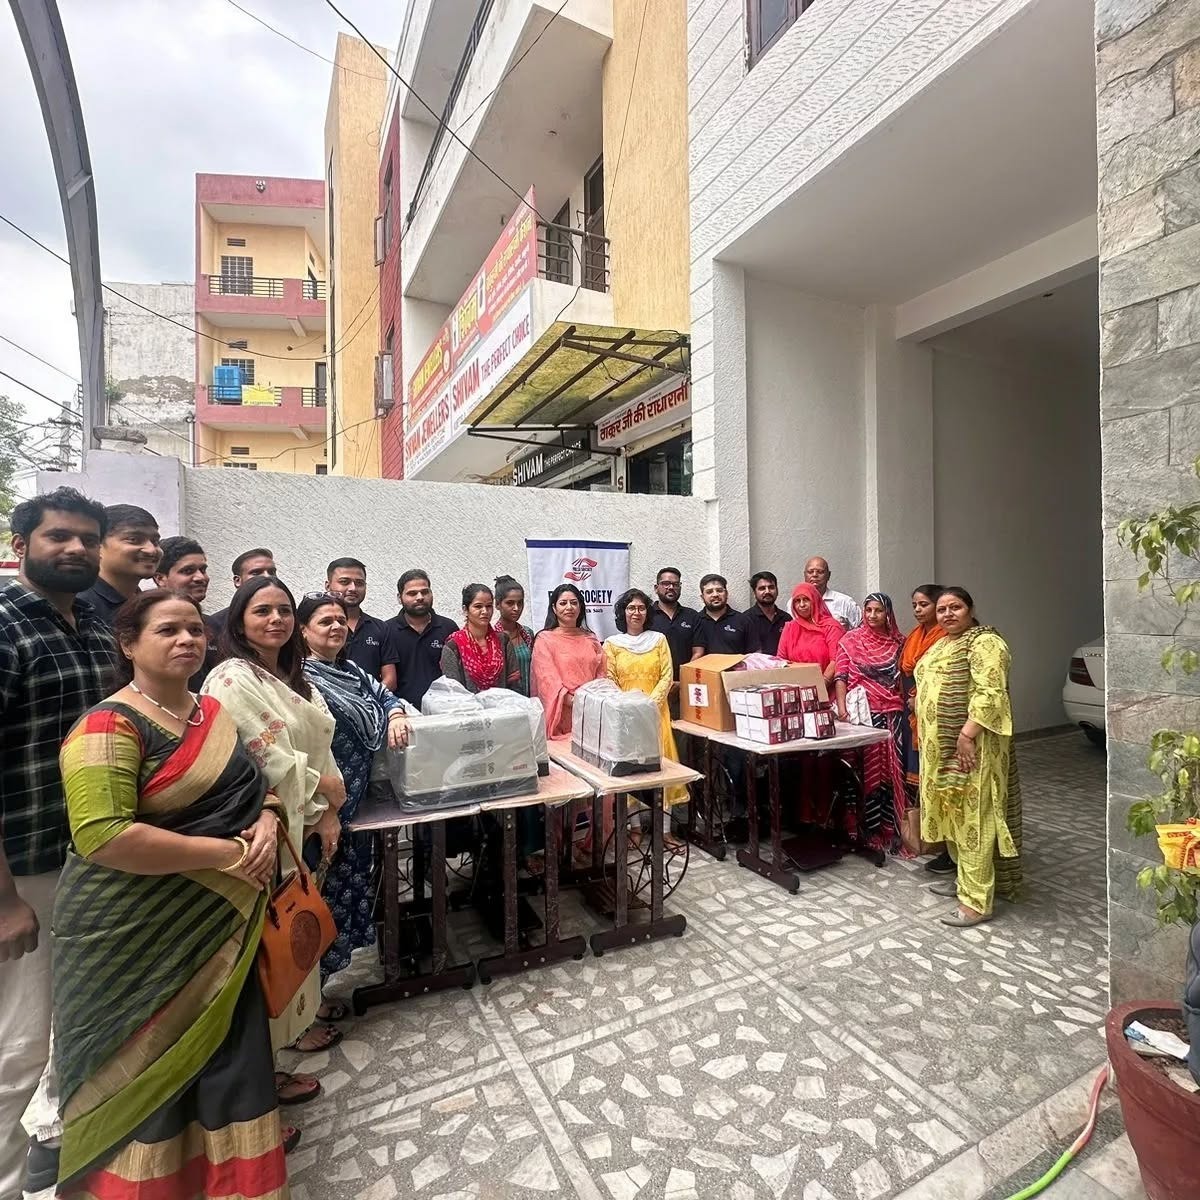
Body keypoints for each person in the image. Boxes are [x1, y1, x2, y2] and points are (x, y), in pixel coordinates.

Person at [52, 591, 289, 1196]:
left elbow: (254, 784)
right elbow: (104, 836)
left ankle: (235, 1183)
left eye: (194, 629)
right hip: (138, 935)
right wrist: (227, 856)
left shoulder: (213, 712)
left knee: (228, 1057)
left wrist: (268, 819)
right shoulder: (107, 725)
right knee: (147, 1067)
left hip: (220, 925)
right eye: (168, 630)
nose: (187, 639)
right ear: (128, 644)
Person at [0, 488, 117, 1200]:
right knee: (18, 1042)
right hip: (26, 864)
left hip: (91, 855)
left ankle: (63, 1154)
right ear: (22, 546)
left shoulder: (95, 627)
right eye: (58, 537)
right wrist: (5, 898)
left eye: (87, 539)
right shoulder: (6, 625)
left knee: (71, 1027)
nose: (75, 548)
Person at [201, 575, 344, 1111]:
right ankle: (260, 1079)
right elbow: (258, 757)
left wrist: (330, 809)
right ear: (239, 621)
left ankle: (287, 1040)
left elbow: (320, 743)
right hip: (259, 828)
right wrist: (320, 784)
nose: (276, 619)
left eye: (283, 610)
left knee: (293, 934)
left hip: (304, 820)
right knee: (261, 950)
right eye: (262, 611)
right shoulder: (231, 678)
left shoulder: (292, 676)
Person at [299, 594, 410, 987]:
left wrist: (395, 714)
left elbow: (386, 695)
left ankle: (320, 989)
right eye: (324, 621)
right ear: (303, 631)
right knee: (314, 901)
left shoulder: (350, 670)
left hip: (354, 803)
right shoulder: (299, 679)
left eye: (339, 620)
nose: (336, 627)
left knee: (348, 893)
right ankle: (306, 998)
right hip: (318, 809)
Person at [915, 588, 1022, 928]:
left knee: (975, 818)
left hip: (972, 749)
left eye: (956, 607)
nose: (947, 614)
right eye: (942, 609)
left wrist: (966, 735)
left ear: (971, 609)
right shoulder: (943, 643)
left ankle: (976, 902)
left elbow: (991, 694)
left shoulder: (986, 643)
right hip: (941, 751)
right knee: (953, 814)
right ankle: (964, 881)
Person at [833, 594, 909, 854]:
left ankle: (887, 826)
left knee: (889, 772)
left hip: (892, 717)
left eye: (879, 610)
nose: (873, 615)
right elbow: (841, 677)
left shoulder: (899, 642)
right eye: (868, 610)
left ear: (888, 614)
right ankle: (861, 829)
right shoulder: (850, 640)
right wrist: (842, 710)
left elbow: (903, 681)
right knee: (861, 771)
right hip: (862, 718)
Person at [604, 589, 688, 811]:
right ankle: (635, 826)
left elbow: (667, 675)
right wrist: (630, 708)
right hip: (626, 717)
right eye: (631, 608)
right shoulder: (612, 644)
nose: (636, 612)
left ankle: (665, 825)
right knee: (630, 768)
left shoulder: (658, 640)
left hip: (656, 713)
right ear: (623, 612)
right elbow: (609, 678)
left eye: (641, 608)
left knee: (661, 766)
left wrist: (650, 705)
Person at [899, 584, 951, 875]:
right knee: (922, 783)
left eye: (924, 604)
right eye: (915, 605)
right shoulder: (913, 636)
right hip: (914, 719)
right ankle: (932, 839)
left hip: (940, 721)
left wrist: (920, 699)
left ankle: (949, 846)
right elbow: (907, 673)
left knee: (943, 784)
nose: (918, 610)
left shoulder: (947, 639)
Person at [531, 583, 604, 739]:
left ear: (580, 607)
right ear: (554, 608)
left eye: (574, 603)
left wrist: (591, 701)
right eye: (563, 603)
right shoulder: (545, 639)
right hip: (561, 713)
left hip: (591, 710)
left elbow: (601, 673)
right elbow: (547, 679)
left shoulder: (590, 638)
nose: (569, 607)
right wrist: (574, 701)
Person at [76, 503, 161, 627]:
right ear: (98, 545)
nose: (151, 550)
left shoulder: (149, 604)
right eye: (134, 539)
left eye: (155, 541)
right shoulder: (81, 606)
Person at [325, 557, 402, 693]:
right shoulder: (314, 626)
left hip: (372, 702)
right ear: (327, 586)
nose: (353, 588)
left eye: (359, 583)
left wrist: (365, 699)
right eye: (344, 582)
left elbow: (390, 680)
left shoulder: (380, 628)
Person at [387, 569, 459, 708]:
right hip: (403, 712)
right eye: (412, 593)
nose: (420, 597)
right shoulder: (387, 631)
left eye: (425, 592)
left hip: (445, 710)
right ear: (399, 598)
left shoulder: (448, 627)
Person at [154, 535, 219, 687]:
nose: (200, 578)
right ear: (160, 578)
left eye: (203, 570)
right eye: (188, 571)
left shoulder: (214, 624)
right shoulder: (143, 623)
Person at [441, 584, 523, 693]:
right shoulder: (453, 647)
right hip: (466, 704)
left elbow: (514, 682)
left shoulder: (503, 640)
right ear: (465, 610)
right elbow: (453, 691)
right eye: (478, 606)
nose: (485, 611)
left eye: (488, 606)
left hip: (503, 703)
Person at [777, 582, 844, 682]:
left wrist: (821, 684)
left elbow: (836, 661)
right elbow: (781, 661)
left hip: (826, 686)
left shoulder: (831, 627)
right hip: (794, 685)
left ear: (815, 600)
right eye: (797, 601)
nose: (802, 605)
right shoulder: (789, 628)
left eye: (806, 599)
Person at [206, 547, 277, 641]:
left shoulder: (290, 618)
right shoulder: (216, 624)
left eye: (272, 572)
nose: (267, 576)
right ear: (237, 581)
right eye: (256, 573)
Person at [649, 567, 699, 686]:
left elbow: (698, 652)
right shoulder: (647, 615)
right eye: (666, 583)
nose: (671, 587)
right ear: (656, 588)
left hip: (686, 682)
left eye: (675, 584)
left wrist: (684, 679)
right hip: (653, 683)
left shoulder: (692, 615)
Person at [690, 574, 753, 658]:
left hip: (736, 666)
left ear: (726, 594)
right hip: (704, 667)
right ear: (702, 597)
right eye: (709, 592)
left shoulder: (743, 620)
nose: (715, 594)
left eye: (719, 590)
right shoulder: (695, 621)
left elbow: (753, 653)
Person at [494, 574, 535, 696]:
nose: (516, 608)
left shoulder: (527, 634)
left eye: (520, 603)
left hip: (530, 701)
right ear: (497, 604)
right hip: (505, 701)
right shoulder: (492, 637)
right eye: (510, 603)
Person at [804, 557, 862, 631]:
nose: (815, 575)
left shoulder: (845, 602)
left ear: (828, 575)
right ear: (805, 575)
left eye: (820, 572)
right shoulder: (795, 603)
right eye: (810, 572)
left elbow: (862, 631)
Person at [744, 570, 791, 655]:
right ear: (754, 593)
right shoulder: (745, 619)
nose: (767, 591)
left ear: (777, 590)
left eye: (771, 587)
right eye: (762, 588)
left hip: (783, 663)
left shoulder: (787, 619)